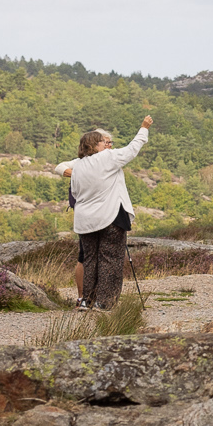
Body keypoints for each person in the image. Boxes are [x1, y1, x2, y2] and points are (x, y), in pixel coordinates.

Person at [57, 115, 152, 308]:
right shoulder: (107, 158)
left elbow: (75, 192)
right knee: (111, 260)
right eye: (104, 142)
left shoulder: (79, 167)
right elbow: (132, 149)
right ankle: (105, 303)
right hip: (110, 217)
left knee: (90, 260)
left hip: (85, 222)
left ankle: (87, 300)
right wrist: (143, 128)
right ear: (95, 145)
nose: (107, 145)